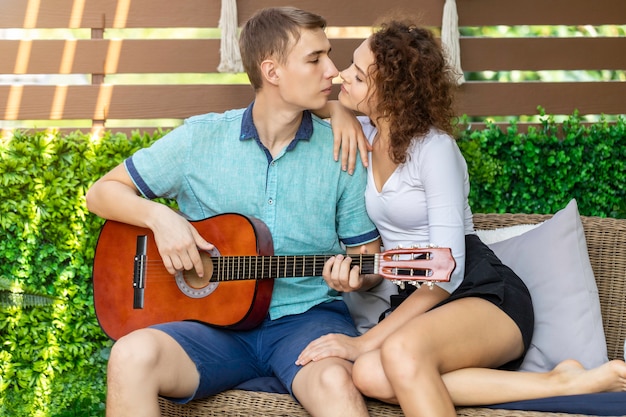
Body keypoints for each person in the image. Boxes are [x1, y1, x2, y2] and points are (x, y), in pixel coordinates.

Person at [297, 19, 626, 417]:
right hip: (418, 302)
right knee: (369, 376)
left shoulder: (434, 149)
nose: (341, 77)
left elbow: (447, 272)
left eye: (359, 77)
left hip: (480, 292)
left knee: (392, 353)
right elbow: (296, 105)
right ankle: (561, 382)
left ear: (394, 94)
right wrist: (337, 109)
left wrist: (364, 341)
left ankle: (563, 380)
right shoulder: (360, 132)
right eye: (350, 66)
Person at [86, 7, 385, 417]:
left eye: (328, 55)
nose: (332, 71)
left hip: (305, 323)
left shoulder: (342, 148)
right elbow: (101, 192)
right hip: (209, 330)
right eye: (315, 59)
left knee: (336, 383)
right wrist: (163, 219)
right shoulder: (199, 140)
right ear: (272, 71)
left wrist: (358, 277)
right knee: (130, 355)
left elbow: (369, 263)